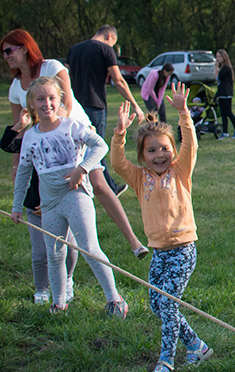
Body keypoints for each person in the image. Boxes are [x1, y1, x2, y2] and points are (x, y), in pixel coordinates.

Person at [2, 29, 148, 261]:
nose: (6, 55)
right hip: (47, 144)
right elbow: (18, 130)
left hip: (75, 131)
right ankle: (69, 257)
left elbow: (67, 102)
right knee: (61, 193)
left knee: (99, 184)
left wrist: (60, 134)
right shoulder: (15, 87)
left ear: (25, 47)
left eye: (9, 50)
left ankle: (134, 241)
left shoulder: (51, 67)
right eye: (3, 52)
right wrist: (16, 166)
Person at [111, 83, 214, 372]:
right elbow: (117, 163)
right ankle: (197, 346)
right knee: (158, 305)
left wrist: (183, 113)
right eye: (152, 150)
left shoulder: (180, 172)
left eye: (165, 149)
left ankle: (166, 360)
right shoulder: (139, 177)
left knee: (168, 304)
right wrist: (119, 134)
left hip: (183, 249)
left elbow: (190, 144)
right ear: (143, 156)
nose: (160, 155)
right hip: (158, 251)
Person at [11, 76, 129, 318]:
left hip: (76, 195)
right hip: (50, 203)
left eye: (52, 98)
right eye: (40, 99)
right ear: (32, 104)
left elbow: (100, 146)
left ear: (59, 100)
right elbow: (23, 173)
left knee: (89, 247)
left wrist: (82, 168)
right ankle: (59, 302)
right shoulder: (30, 137)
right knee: (55, 253)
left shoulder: (71, 126)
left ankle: (115, 299)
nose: (47, 103)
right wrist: (16, 206)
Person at [1, 112, 78, 304]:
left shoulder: (66, 138)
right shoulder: (32, 139)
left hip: (61, 201)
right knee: (40, 252)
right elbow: (7, 145)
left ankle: (67, 280)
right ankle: (42, 289)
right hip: (35, 204)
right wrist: (20, 124)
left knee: (69, 248)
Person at [66, 24, 144, 195]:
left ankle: (90, 184)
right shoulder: (105, 50)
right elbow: (119, 80)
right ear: (109, 36)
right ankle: (109, 187)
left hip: (74, 106)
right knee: (96, 147)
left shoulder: (74, 49)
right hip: (95, 105)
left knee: (77, 148)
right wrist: (135, 105)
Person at [215, 49, 235, 139]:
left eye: (219, 57)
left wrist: (216, 67)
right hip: (221, 93)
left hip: (226, 93)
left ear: (224, 57)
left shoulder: (226, 68)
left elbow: (218, 78)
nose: (218, 59)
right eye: (217, 57)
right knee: (223, 114)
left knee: (229, 112)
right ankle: (225, 132)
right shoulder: (223, 68)